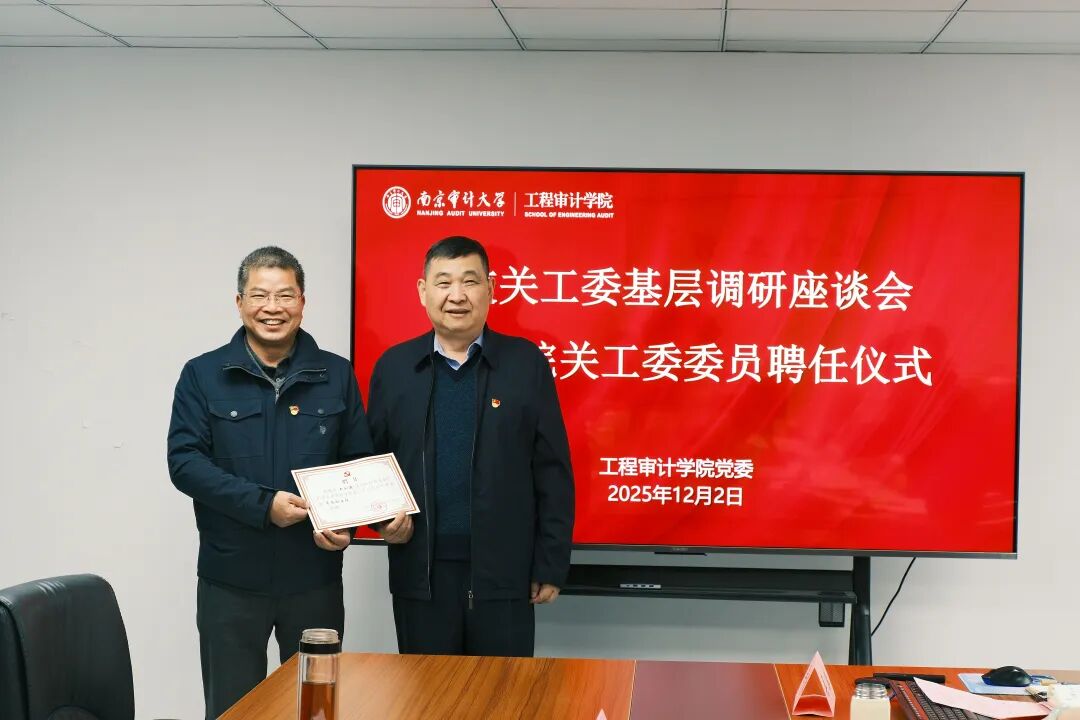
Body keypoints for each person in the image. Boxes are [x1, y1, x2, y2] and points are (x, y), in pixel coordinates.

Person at [167, 246, 372, 719]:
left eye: (285, 295)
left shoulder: (336, 374)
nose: (272, 307)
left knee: (316, 709)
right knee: (233, 710)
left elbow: (358, 461)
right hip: (230, 580)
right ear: (239, 303)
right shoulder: (202, 374)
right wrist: (263, 506)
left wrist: (345, 524)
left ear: (303, 302)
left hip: (314, 578)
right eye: (260, 295)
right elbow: (185, 462)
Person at [367, 235, 574, 657]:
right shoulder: (395, 367)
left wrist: (550, 562)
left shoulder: (525, 363)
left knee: (503, 690)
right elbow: (372, 461)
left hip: (506, 574)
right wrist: (381, 519)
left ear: (491, 288)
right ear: (423, 291)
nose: (457, 295)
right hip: (420, 574)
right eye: (443, 282)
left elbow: (552, 470)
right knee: (426, 691)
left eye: (470, 281)